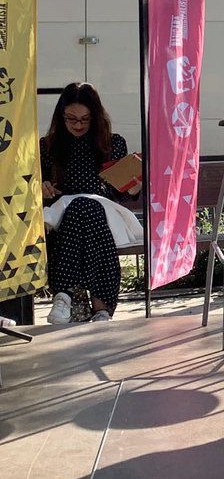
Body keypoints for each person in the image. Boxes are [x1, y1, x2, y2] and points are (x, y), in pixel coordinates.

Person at [40, 83, 141, 323]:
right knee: (82, 211)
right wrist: (42, 188)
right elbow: (39, 185)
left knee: (85, 207)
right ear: (60, 116)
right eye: (71, 119)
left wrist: (133, 187)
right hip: (62, 217)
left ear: (95, 118)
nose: (78, 125)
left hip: (101, 212)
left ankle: (63, 296)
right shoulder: (47, 146)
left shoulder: (113, 143)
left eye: (85, 119)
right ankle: (101, 309)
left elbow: (118, 192)